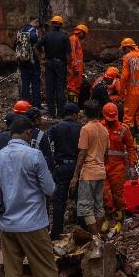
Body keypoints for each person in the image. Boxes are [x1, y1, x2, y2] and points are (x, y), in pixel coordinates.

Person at [0, 114, 78, 277]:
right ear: (28, 133)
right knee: (46, 274)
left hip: (8, 225)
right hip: (33, 224)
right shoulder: (34, 155)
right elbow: (50, 189)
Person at [69, 100, 111, 238]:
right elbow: (106, 154)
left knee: (86, 207)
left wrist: (75, 176)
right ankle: (98, 236)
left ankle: (96, 237)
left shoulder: (86, 129)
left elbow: (82, 153)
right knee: (98, 206)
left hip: (88, 173)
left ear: (85, 113)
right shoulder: (104, 129)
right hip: (100, 172)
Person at [46, 102, 83, 238]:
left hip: (61, 167)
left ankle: (56, 233)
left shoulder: (55, 128)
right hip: (76, 167)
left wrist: (53, 162)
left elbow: (47, 145)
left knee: (59, 202)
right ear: (74, 114)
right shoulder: (81, 128)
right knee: (80, 200)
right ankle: (81, 231)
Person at [101, 101, 137, 233]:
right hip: (102, 165)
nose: (110, 121)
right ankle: (104, 219)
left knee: (118, 196)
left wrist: (132, 165)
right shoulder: (99, 127)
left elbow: (131, 148)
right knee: (102, 194)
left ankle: (119, 221)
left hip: (117, 167)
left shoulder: (123, 129)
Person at [40, 15, 71, 117]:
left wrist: (41, 60)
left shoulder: (46, 36)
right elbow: (67, 55)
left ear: (52, 24)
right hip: (60, 64)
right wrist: (68, 66)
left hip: (49, 63)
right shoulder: (65, 37)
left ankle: (52, 113)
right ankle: (61, 113)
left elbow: (35, 47)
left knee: (50, 88)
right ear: (61, 25)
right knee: (60, 88)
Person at [15, 16, 41, 108]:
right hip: (32, 62)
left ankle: (25, 105)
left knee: (25, 83)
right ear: (36, 21)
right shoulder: (33, 32)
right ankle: (36, 104)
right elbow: (35, 48)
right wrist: (40, 59)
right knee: (35, 83)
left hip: (22, 61)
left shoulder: (20, 31)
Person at [67, 23, 88, 105]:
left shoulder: (77, 40)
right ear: (81, 32)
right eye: (84, 34)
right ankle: (72, 106)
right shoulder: (73, 39)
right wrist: (75, 68)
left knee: (75, 88)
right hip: (74, 69)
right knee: (72, 87)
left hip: (77, 69)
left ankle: (74, 106)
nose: (84, 36)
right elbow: (73, 55)